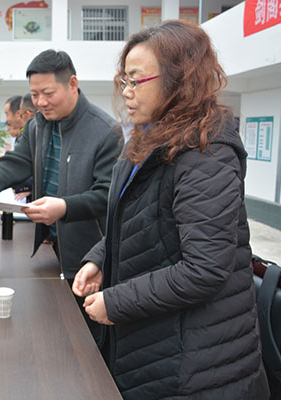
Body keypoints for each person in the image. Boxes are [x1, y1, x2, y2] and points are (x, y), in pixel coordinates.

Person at [73, 20, 269, 399]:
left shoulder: (205, 151)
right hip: (156, 343)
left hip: (198, 364)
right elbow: (137, 221)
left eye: (136, 80)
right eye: (124, 81)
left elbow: (206, 268)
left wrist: (116, 300)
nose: (127, 93)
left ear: (181, 79)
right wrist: (100, 258)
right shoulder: (149, 139)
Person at [0, 50, 121, 341]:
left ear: (72, 83)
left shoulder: (105, 131)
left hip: (88, 255)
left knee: (85, 338)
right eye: (34, 94)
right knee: (53, 331)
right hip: (52, 247)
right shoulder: (38, 125)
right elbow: (19, 161)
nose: (40, 102)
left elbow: (107, 196)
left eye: (48, 93)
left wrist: (63, 207)